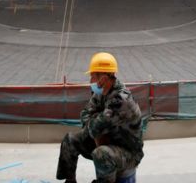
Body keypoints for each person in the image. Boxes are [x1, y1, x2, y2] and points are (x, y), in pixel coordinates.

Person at [57, 52, 144, 183]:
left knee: (101, 154)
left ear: (102, 79)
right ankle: (70, 181)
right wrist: (96, 124)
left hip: (128, 153)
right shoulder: (102, 93)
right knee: (70, 140)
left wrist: (95, 125)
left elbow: (93, 129)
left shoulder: (120, 100)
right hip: (106, 143)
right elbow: (85, 114)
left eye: (92, 77)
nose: (90, 81)